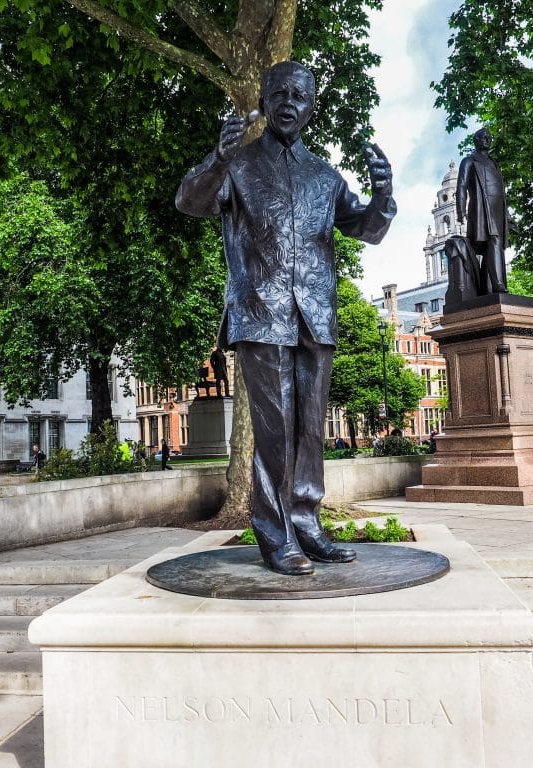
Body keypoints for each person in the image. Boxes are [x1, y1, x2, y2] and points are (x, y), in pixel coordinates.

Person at [176, 61, 396, 576]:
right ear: (265, 98)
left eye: (300, 94)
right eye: (280, 93)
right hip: (261, 313)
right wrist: (217, 157)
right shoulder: (239, 164)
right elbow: (190, 200)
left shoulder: (325, 176)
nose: (290, 102)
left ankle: (307, 523)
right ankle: (276, 535)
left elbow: (367, 229)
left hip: (315, 315)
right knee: (274, 432)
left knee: (309, 430)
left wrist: (383, 195)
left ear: (311, 104)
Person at [456, 127, 515, 295]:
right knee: (493, 242)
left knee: (496, 247)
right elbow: (461, 187)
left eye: (489, 137)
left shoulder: (494, 163)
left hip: (497, 212)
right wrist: (460, 212)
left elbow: (502, 194)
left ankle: (487, 287)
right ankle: (498, 286)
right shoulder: (469, 161)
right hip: (482, 210)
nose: (487, 139)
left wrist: (507, 217)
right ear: (476, 140)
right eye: (483, 137)